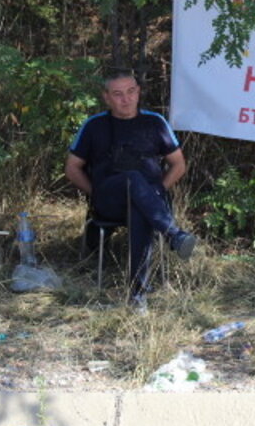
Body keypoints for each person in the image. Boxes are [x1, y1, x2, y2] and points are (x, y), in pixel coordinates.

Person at [64, 71, 196, 307]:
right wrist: (96, 194)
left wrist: (157, 192)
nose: (126, 99)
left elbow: (179, 164)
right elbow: (73, 167)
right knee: (133, 179)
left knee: (141, 207)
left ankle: (137, 295)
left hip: (148, 204)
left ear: (138, 92)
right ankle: (174, 234)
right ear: (107, 97)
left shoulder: (155, 122)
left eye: (131, 91)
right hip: (109, 199)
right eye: (118, 94)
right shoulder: (95, 125)